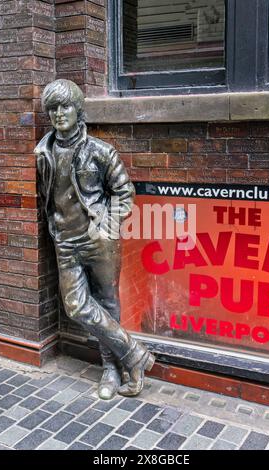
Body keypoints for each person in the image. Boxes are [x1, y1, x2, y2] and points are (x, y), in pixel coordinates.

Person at [35, 79, 155, 400]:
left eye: (65, 107)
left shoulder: (100, 152)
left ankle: (111, 370)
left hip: (98, 241)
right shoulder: (42, 152)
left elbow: (124, 193)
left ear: (78, 109)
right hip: (64, 242)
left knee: (107, 303)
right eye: (53, 108)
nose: (59, 114)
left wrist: (105, 226)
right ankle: (134, 354)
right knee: (75, 306)